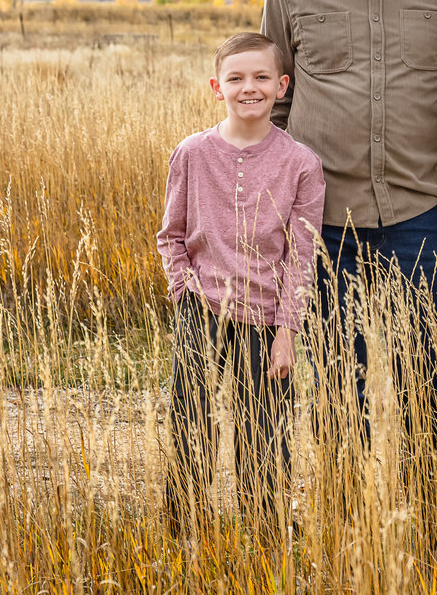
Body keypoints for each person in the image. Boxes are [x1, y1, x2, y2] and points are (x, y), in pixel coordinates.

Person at [260, 0, 437, 477]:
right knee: (334, 393)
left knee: (428, 391)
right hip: (323, 223)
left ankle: (425, 523)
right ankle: (345, 524)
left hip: (420, 216)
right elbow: (273, 96)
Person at [156, 32, 325, 544]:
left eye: (260, 78)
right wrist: (186, 294)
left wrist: (287, 331)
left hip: (268, 317)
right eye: (235, 78)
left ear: (281, 85)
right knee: (192, 422)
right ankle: (184, 532)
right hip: (202, 309)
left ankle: (266, 533)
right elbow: (172, 235)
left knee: (264, 433)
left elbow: (302, 255)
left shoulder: (301, 163)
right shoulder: (192, 153)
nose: (248, 87)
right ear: (216, 87)